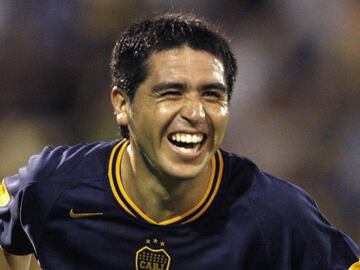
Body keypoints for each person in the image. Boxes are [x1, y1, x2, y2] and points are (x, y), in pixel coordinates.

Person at [0, 13, 359, 270]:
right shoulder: (53, 185)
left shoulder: (276, 214)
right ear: (122, 105)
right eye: (171, 93)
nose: (196, 113)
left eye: (212, 95)